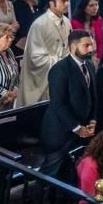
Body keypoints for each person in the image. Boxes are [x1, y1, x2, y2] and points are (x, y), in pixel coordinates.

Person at [39, 31, 98, 177]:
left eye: (91, 45)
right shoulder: (60, 69)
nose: (91, 49)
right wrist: (77, 128)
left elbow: (93, 96)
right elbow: (58, 104)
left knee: (72, 173)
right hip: (61, 131)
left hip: (82, 130)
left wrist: (92, 120)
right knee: (51, 174)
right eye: (86, 45)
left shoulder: (89, 65)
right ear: (73, 46)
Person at [17, 0, 71, 106]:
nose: (66, 4)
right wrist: (61, 62)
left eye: (67, 1)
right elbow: (36, 58)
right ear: (52, 4)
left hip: (62, 76)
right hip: (42, 79)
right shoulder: (40, 24)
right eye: (63, 1)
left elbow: (68, 48)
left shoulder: (67, 22)